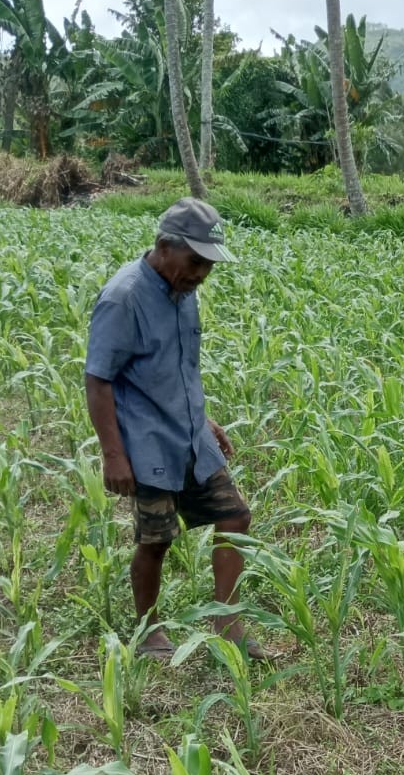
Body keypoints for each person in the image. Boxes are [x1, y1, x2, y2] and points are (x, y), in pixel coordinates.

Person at [84, 197, 267, 661]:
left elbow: (174, 370)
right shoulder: (124, 297)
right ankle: (149, 629)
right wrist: (113, 455)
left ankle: (227, 622)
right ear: (165, 247)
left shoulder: (183, 292)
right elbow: (99, 379)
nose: (202, 273)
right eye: (196, 261)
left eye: (208, 265)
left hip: (189, 437)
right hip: (147, 444)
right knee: (156, 539)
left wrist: (201, 420)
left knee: (236, 518)